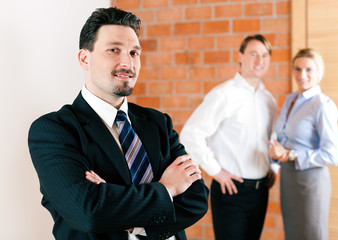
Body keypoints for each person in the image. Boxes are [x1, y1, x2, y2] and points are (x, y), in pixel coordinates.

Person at [28, 7, 209, 240]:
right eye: (114, 50)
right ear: (85, 58)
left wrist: (116, 203)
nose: (127, 62)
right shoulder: (54, 131)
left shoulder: (158, 122)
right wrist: (168, 189)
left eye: (134, 53)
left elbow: (196, 200)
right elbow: (89, 212)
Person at [180, 35, 277, 240]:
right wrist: (217, 172)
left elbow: (272, 139)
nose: (260, 61)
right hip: (231, 190)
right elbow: (191, 134)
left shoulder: (269, 100)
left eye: (265, 55)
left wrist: (274, 168)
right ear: (240, 57)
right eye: (253, 54)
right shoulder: (224, 94)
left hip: (260, 191)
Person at [268, 48, 338, 240]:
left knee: (312, 235)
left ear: (319, 72)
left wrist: (292, 154)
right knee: (293, 234)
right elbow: (283, 140)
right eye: (297, 69)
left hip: (311, 183)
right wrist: (275, 157)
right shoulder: (290, 99)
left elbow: (332, 155)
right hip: (288, 179)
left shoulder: (322, 105)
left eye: (309, 69)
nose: (302, 75)